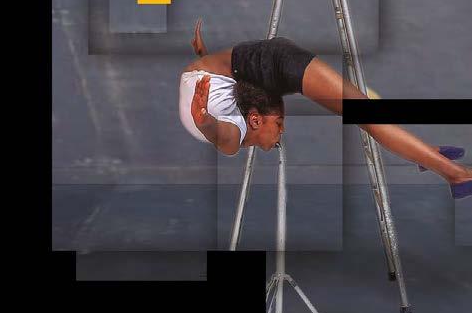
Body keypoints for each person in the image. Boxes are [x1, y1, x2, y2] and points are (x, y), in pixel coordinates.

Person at [178, 19, 472, 199]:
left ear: (255, 119)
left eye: (278, 125)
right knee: (362, 113)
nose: (281, 133)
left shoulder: (233, 135)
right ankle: (427, 155)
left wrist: (203, 119)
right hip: (246, 69)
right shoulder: (239, 112)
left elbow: (222, 135)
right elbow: (219, 101)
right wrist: (205, 60)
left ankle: (454, 174)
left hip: (274, 62)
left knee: (367, 116)